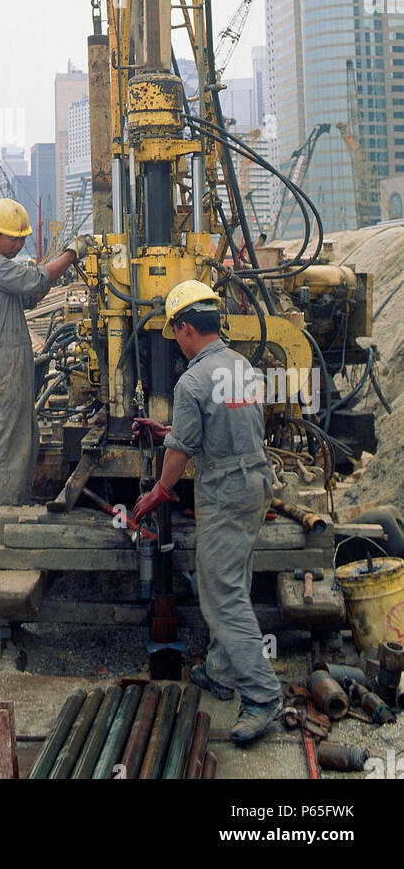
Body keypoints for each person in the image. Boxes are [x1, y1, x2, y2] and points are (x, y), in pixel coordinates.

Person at [132, 279, 282, 746]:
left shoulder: (191, 379)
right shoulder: (242, 367)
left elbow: (182, 453)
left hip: (226, 491)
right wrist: (169, 429)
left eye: (175, 332)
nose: (175, 341)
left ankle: (261, 695)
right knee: (232, 577)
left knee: (222, 597)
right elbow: (220, 422)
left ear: (185, 329)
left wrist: (159, 490)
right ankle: (220, 671)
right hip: (255, 484)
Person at [0, 198, 89, 518]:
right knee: (8, 446)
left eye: (23, 239)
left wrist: (46, 278)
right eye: (13, 238)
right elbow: (35, 280)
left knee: (25, 441)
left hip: (4, 366)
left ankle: (14, 507)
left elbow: (32, 294)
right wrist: (72, 253)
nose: (19, 244)